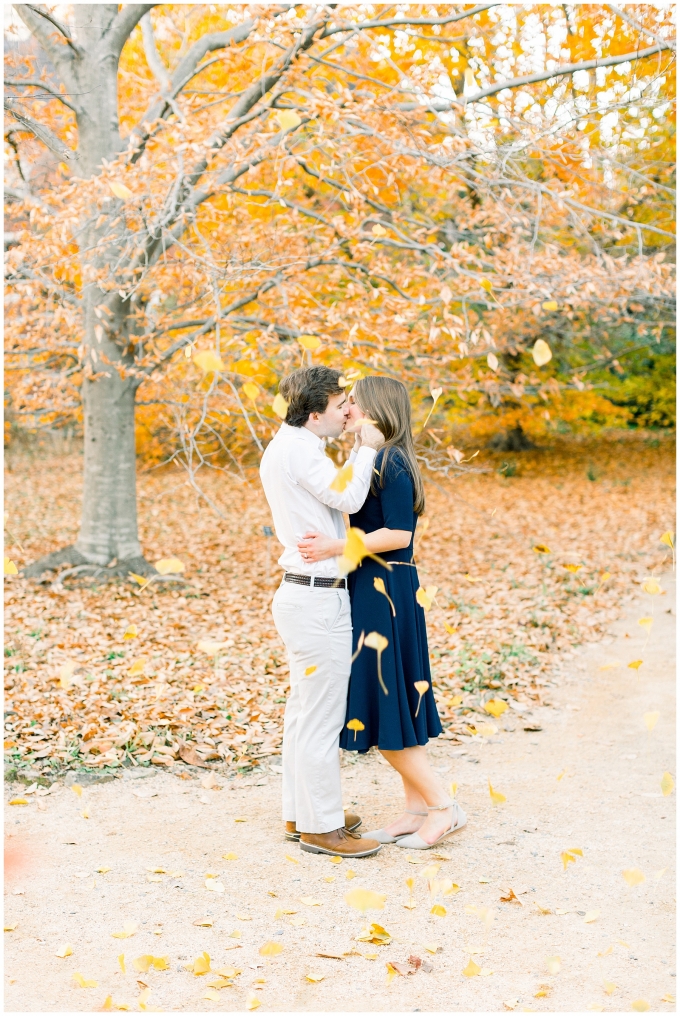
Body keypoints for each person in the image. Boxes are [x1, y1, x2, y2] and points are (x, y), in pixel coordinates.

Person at [298, 376, 466, 849]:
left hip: (383, 587)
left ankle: (442, 807)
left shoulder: (390, 459)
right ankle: (415, 810)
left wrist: (335, 545)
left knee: (384, 701)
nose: (346, 408)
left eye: (353, 401)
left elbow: (399, 534)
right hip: (380, 585)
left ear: (374, 408)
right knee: (397, 707)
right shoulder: (376, 457)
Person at [259, 365, 385, 858]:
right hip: (316, 596)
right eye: (339, 407)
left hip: (305, 592)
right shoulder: (301, 452)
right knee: (321, 716)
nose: (347, 412)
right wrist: (368, 446)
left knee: (303, 712)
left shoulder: (292, 446)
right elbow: (351, 496)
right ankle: (321, 826)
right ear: (315, 414)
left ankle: (302, 811)